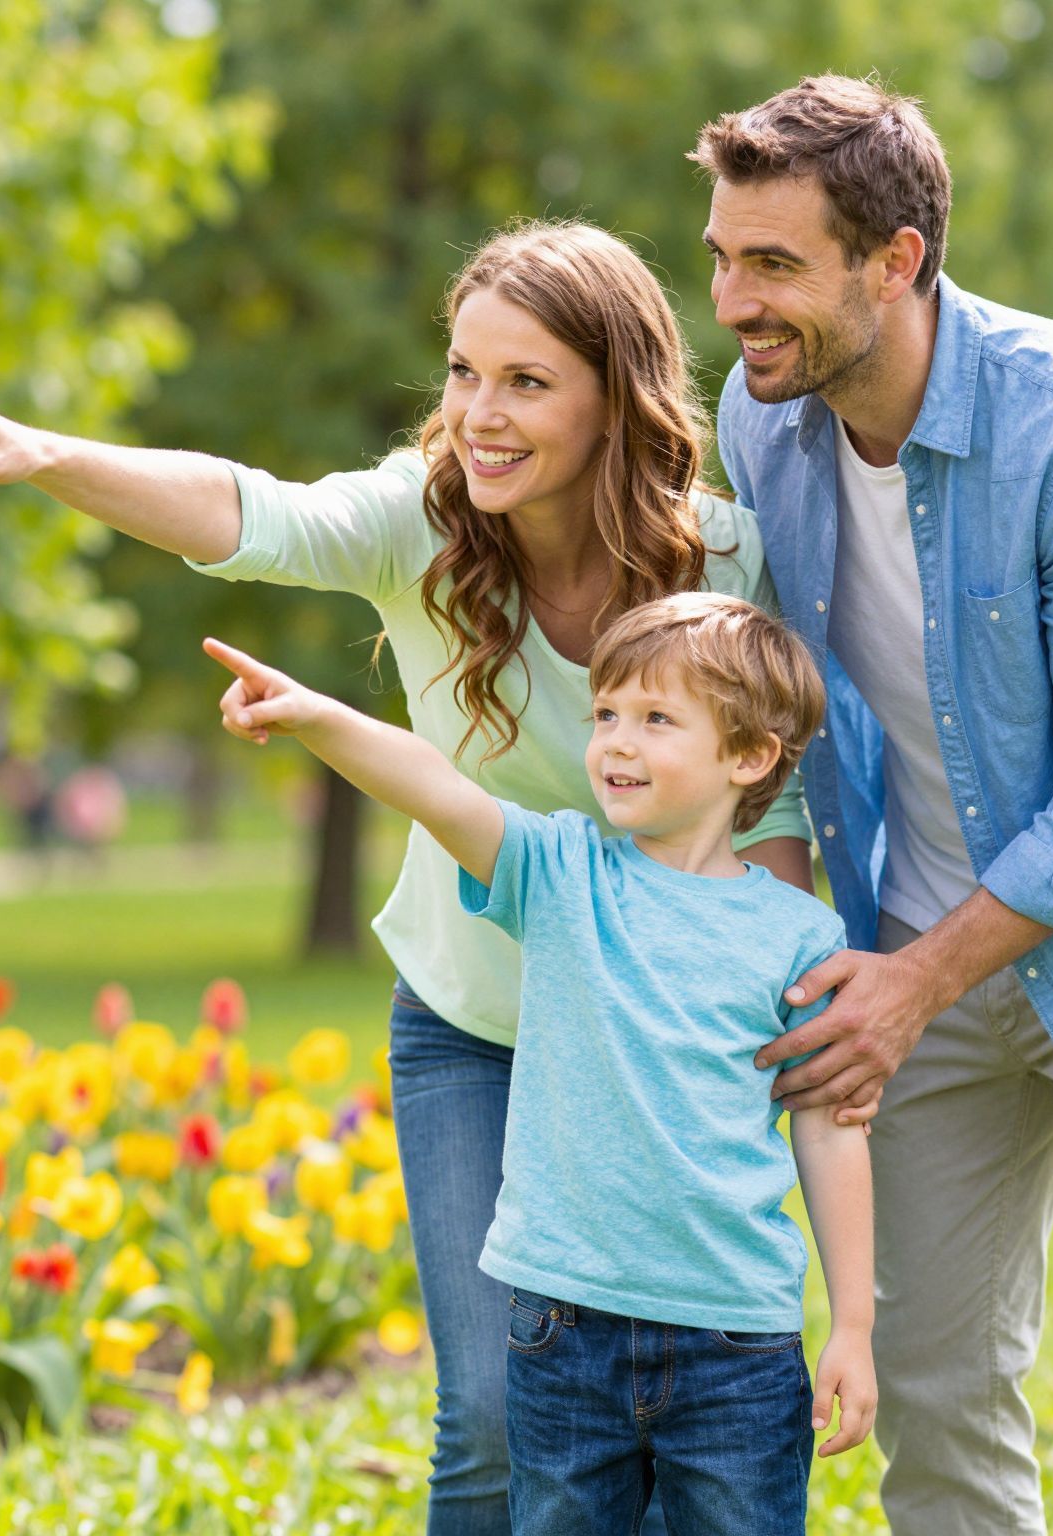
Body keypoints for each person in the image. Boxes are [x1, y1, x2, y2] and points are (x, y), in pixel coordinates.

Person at [0, 219, 859, 1536]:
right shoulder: (424, 519)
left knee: (655, 1426)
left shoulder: (721, 558)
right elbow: (246, 512)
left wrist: (769, 988)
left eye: (525, 381)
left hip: (649, 1045)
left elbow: (770, 784)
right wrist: (45, 456)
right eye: (462, 372)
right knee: (494, 1419)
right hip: (471, 1024)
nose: (478, 415)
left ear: (614, 395)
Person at [694, 77, 1053, 1535]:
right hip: (909, 942)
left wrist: (909, 986)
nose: (731, 302)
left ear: (894, 262)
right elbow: (761, 715)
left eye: (773, 264)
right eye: (720, 256)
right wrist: (804, 946)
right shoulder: (761, 421)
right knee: (934, 1373)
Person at [201, 592, 876, 1534]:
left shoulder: (803, 937)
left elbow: (831, 1127)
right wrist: (315, 713)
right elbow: (434, 786)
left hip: (738, 1342)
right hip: (562, 1328)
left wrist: (853, 1326)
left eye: (655, 719)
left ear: (750, 756)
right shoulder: (561, 875)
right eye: (606, 714)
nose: (616, 742)